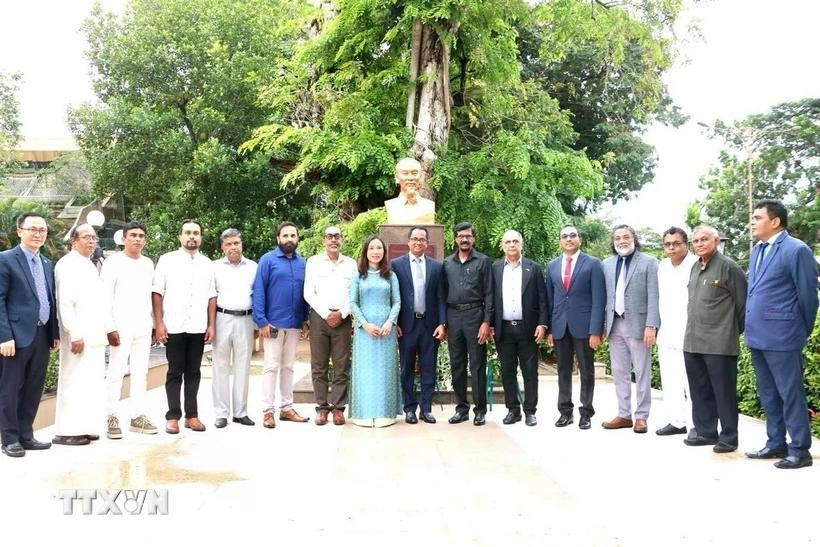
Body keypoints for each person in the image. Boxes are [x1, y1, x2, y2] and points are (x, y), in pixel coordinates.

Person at [744, 200, 818, 469]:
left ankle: (800, 449)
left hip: (784, 334)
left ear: (775, 221)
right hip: (757, 334)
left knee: (790, 393)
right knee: (768, 392)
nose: (752, 221)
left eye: (757, 217)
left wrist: (801, 329)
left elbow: (809, 296)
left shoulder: (796, 250)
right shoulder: (757, 250)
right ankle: (776, 443)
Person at [682, 225, 747, 453]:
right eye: (695, 241)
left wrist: (728, 331)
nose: (699, 244)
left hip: (719, 343)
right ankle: (705, 432)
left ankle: (729, 437)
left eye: (704, 239)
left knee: (723, 392)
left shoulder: (728, 267)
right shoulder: (694, 267)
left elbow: (743, 306)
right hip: (693, 340)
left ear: (716, 241)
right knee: (699, 390)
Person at [0, 212, 59, 457]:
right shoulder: (5, 259)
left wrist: (53, 332)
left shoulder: (46, 263)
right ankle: (9, 438)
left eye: (42, 230)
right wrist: (4, 336)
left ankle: (27, 434)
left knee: (34, 388)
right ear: (19, 231)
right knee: (10, 388)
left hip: (41, 334)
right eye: (32, 229)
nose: (38, 234)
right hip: (15, 336)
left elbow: (49, 299)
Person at [53, 224, 115, 446]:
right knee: (73, 381)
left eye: (94, 238)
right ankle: (67, 430)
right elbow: (65, 304)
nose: (92, 241)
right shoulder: (67, 264)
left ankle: (85, 427)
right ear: (73, 240)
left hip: (94, 336)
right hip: (78, 336)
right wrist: (75, 334)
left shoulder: (89, 265)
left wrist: (109, 329)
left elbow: (99, 302)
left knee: (90, 383)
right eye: (86, 237)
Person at [152, 219, 216, 434]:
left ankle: (192, 415)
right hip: (174, 326)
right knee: (174, 371)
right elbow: (157, 292)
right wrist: (158, 323)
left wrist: (211, 325)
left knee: (194, 372)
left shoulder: (207, 263)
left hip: (197, 326)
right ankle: (173, 417)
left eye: (196, 233)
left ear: (201, 237)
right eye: (188, 232)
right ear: (180, 236)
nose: (192, 236)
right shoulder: (167, 260)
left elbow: (211, 297)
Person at [545, 224, 606, 430]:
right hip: (560, 326)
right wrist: (551, 329)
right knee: (562, 370)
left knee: (586, 371)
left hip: (584, 327)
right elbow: (550, 299)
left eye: (572, 235)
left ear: (579, 239)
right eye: (564, 236)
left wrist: (596, 330)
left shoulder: (593, 264)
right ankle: (565, 412)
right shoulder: (552, 266)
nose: (568, 239)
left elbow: (599, 299)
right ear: (560, 241)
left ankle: (586, 413)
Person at [101, 220, 157, 439]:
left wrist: (153, 325)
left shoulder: (148, 263)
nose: (137, 239)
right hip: (119, 326)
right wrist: (109, 327)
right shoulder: (113, 263)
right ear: (124, 238)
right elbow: (104, 297)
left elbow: (149, 297)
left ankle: (137, 416)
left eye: (141, 236)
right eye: (133, 235)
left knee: (140, 372)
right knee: (116, 373)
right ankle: (111, 417)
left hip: (143, 325)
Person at [601, 224, 659, 434]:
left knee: (642, 371)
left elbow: (654, 295)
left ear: (634, 238)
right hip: (614, 324)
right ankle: (624, 414)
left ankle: (641, 417)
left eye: (626, 237)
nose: (622, 241)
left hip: (639, 325)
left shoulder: (650, 262)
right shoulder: (606, 264)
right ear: (613, 241)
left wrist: (651, 325)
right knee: (619, 372)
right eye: (617, 238)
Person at [253, 222, 310, 429]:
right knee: (270, 366)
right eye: (285, 235)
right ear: (278, 238)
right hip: (272, 324)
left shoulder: (303, 263)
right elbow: (258, 291)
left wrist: (305, 320)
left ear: (297, 238)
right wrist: (261, 321)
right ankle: (268, 411)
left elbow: (305, 294)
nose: (289, 239)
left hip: (294, 324)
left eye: (293, 235)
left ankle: (287, 408)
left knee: (288, 367)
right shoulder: (267, 260)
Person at [491, 230, 548, 426]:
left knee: (530, 371)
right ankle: (512, 410)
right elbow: (490, 299)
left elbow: (542, 298)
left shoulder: (533, 268)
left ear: (521, 244)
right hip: (503, 329)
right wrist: (489, 324)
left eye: (516, 241)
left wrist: (542, 323)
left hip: (528, 329)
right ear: (503, 245)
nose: (512, 245)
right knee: (507, 371)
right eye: (508, 242)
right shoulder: (496, 268)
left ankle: (530, 411)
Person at [391, 227, 446, 424]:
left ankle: (426, 408)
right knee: (406, 368)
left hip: (429, 325)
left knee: (428, 368)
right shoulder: (396, 265)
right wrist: (395, 322)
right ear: (408, 242)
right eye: (414, 239)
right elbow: (393, 296)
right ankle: (409, 409)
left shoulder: (436, 267)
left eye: (422, 239)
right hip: (406, 325)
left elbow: (440, 296)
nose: (418, 242)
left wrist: (442, 323)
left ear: (427, 243)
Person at [304, 226, 357, 425]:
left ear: (341, 240)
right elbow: (308, 293)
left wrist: (342, 313)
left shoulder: (350, 264)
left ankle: (338, 408)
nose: (333, 240)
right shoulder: (314, 263)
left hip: (343, 319)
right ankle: (322, 408)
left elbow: (355, 293)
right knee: (319, 365)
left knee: (342, 364)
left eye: (337, 236)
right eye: (329, 237)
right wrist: (327, 314)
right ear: (323, 240)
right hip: (319, 318)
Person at [442, 222, 494, 426]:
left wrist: (486, 322)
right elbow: (442, 294)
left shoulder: (483, 261)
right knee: (457, 365)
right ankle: (461, 409)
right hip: (453, 317)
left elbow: (490, 293)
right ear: (455, 239)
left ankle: (480, 410)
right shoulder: (447, 263)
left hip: (476, 315)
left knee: (478, 365)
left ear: (473, 239)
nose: (464, 239)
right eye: (460, 236)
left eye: (468, 236)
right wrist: (443, 323)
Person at [349, 236, 401, 427]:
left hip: (386, 331)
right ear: (366, 251)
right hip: (365, 331)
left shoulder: (391, 275)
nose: (376, 251)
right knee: (366, 370)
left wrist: (390, 322)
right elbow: (353, 302)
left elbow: (397, 301)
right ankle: (363, 413)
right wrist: (364, 324)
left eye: (379, 248)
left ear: (384, 252)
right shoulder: (358, 276)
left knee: (384, 370)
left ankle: (384, 413)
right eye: (372, 248)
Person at [211, 228, 258, 429]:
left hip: (246, 319)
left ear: (242, 245)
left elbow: (258, 295)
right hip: (221, 318)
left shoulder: (253, 267)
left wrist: (257, 324)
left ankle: (240, 412)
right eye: (228, 244)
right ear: (222, 247)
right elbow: (210, 297)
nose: (233, 247)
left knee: (243, 366)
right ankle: (221, 413)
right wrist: (210, 325)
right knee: (220, 366)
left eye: (236, 243)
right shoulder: (213, 267)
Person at [655, 226, 699, 436]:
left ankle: (695, 425)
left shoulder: (696, 265)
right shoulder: (662, 266)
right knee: (670, 381)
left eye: (676, 243)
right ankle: (677, 421)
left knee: (692, 382)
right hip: (667, 333)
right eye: (667, 244)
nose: (672, 248)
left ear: (686, 244)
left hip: (691, 334)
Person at [384, 157, 436, 225]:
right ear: (397, 177)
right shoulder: (390, 206)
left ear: (421, 177)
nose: (410, 178)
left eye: (414, 173)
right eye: (405, 173)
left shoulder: (429, 206)